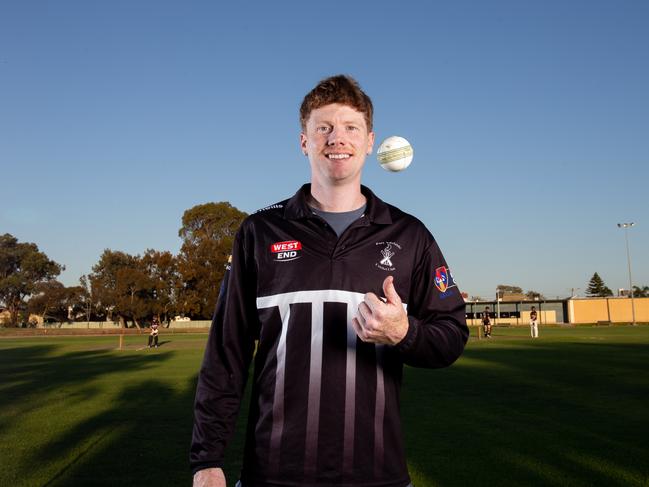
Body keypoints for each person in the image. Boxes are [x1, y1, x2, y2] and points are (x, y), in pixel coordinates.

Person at [190, 75, 469, 487]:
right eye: (324, 128)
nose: (337, 138)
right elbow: (225, 353)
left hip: (377, 475)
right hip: (273, 475)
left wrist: (404, 331)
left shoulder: (410, 236)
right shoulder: (259, 232)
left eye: (350, 128)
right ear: (303, 141)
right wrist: (207, 459)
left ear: (370, 141)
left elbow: (451, 335)